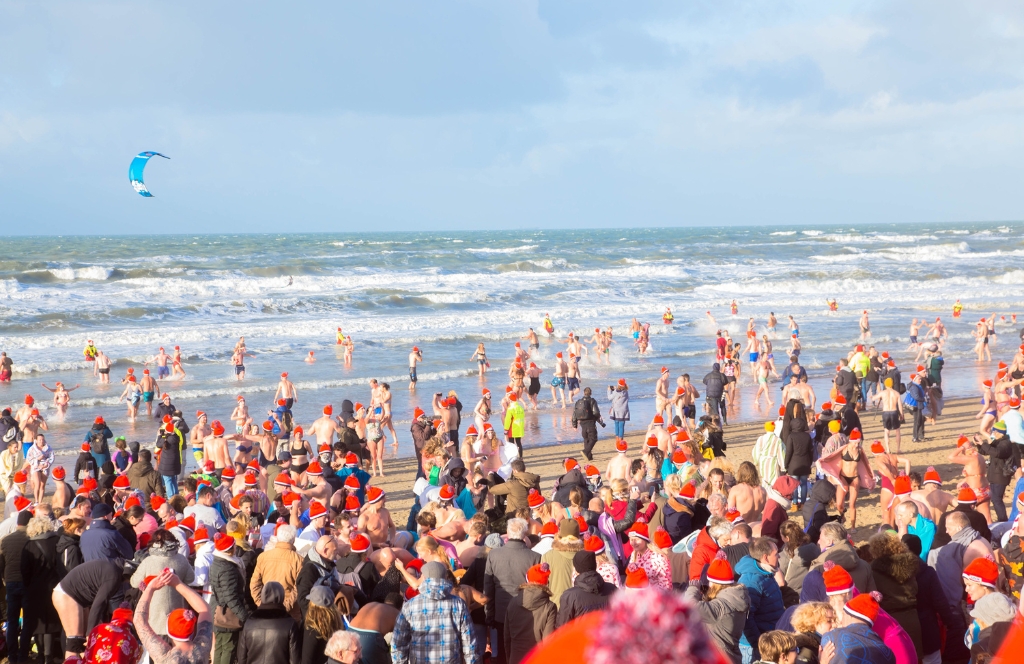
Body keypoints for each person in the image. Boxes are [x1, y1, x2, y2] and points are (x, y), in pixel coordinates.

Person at [391, 561, 476, 664]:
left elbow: (398, 643)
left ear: (424, 577)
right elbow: (470, 644)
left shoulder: (410, 605)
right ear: (444, 577)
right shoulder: (458, 604)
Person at [484, 518, 540, 664]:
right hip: (525, 612)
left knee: (502, 651)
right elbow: (537, 588)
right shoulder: (534, 557)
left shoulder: (494, 555)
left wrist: (489, 614)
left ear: (508, 533)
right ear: (524, 534)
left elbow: (488, 587)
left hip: (500, 611)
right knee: (523, 652)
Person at [134, 569, 214, 664]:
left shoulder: (163, 655)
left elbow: (139, 621)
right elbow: (204, 610)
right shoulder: (203, 647)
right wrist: (178, 583)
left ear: (169, 631)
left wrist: (150, 588)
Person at [684, 550, 749, 664]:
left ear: (714, 583)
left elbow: (689, 606)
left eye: (710, 582)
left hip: (719, 658)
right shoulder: (737, 597)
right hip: (732, 656)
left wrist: (693, 588)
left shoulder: (720, 608)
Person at [53, 559, 126, 659]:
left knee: (86, 643)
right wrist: (90, 632)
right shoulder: (114, 577)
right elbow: (99, 605)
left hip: (80, 598)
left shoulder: (114, 568)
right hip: (67, 594)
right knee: (75, 641)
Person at [131, 530, 197, 635]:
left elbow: (134, 582)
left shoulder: (149, 561)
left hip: (154, 616)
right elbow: (191, 578)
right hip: (178, 615)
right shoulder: (181, 559)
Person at [20, 515, 62, 664]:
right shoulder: (56, 541)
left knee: (37, 624)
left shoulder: (29, 546)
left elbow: (24, 571)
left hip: (35, 589)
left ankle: (40, 654)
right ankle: (49, 656)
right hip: (54, 586)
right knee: (51, 622)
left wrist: (27, 586)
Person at [735, 537, 786, 663]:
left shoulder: (765, 573)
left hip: (767, 640)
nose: (779, 556)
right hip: (754, 647)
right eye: (776, 554)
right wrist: (759, 644)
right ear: (765, 557)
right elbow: (746, 618)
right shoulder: (752, 581)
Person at [237, 581, 302, 664]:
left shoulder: (249, 623)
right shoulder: (290, 624)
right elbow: (295, 660)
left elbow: (242, 658)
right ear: (281, 596)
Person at [821, 593, 896, 664]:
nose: (840, 621)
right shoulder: (888, 653)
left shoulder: (831, 638)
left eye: (843, 614)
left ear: (849, 615)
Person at [504, 563, 556, 664]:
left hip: (515, 658)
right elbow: (548, 641)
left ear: (527, 580)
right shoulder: (550, 607)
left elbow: (507, 636)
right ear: (546, 583)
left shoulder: (513, 603)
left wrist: (509, 658)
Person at [250, 523, 304, 621]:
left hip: (267, 612)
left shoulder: (263, 556)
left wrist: (262, 604)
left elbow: (254, 584)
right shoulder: (299, 560)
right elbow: (298, 589)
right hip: (290, 616)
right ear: (293, 540)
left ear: (278, 539)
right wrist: (285, 607)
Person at [1, 509, 32, 660]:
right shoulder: (31, 538)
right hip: (27, 583)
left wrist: (4, 579)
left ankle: (12, 654)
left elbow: (1, 562)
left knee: (12, 620)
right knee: (27, 620)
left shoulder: (6, 540)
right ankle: (23, 654)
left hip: (11, 583)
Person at [571, 387, 605, 462]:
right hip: (590, 422)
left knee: (586, 439)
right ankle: (586, 452)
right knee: (593, 438)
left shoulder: (578, 402)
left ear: (584, 393)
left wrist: (574, 425)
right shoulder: (592, 401)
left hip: (582, 423)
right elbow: (596, 412)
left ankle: (589, 456)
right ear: (590, 393)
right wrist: (599, 420)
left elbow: (574, 414)